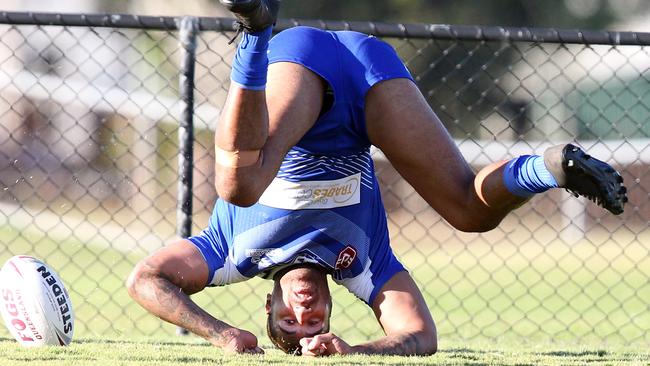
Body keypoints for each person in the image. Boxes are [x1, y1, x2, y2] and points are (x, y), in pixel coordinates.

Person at [126, 0, 628, 357]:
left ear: (269, 301)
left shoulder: (232, 255)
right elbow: (420, 335)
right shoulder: (361, 268)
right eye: (316, 322)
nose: (304, 311)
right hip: (370, 76)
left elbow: (145, 279)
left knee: (240, 185)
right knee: (470, 213)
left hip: (301, 72)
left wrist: (222, 335)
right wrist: (354, 350)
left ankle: (256, 32)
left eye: (287, 320)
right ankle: (548, 167)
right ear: (328, 311)